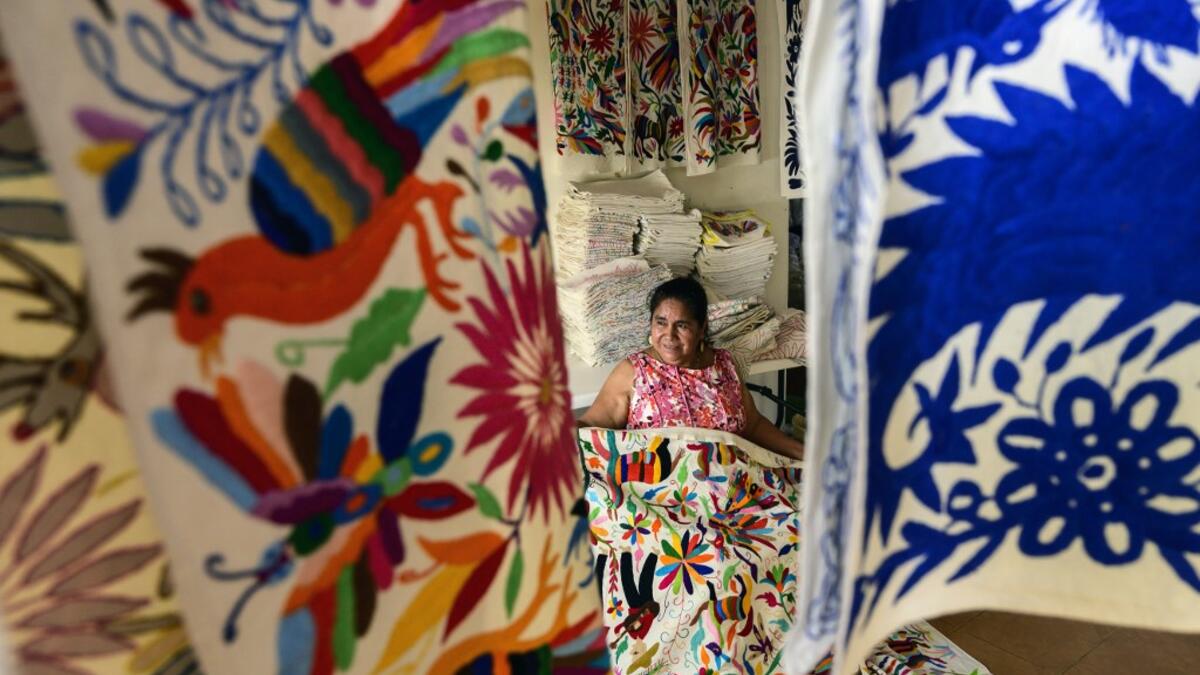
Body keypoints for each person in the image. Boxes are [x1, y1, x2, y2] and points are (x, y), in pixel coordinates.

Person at [578, 277, 804, 460]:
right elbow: (590, 425)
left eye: (682, 325)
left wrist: (802, 453)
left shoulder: (724, 366)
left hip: (732, 492)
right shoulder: (635, 372)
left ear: (701, 328)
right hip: (658, 502)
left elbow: (752, 425)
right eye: (661, 322)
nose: (669, 335)